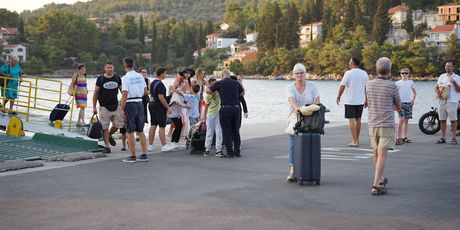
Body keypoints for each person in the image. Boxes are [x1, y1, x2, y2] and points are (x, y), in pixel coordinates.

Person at [365, 57, 400, 195]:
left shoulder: (368, 84)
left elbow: (366, 103)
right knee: (383, 154)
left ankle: (380, 180)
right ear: (389, 70)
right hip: (386, 123)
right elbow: (399, 106)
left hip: (372, 123)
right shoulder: (392, 85)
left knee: (375, 153)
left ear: (377, 69)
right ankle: (375, 184)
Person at [286, 63, 320, 181]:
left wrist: (309, 109)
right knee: (293, 144)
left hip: (310, 119)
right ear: (294, 75)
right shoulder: (291, 87)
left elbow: (317, 101)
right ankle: (292, 170)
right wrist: (299, 110)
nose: (299, 75)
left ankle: (307, 170)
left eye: (301, 73)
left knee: (308, 145)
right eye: (297, 73)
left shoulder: (312, 86)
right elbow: (292, 101)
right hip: (295, 118)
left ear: (305, 74)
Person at [208, 69, 245, 158]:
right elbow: (242, 93)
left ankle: (230, 152)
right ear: (229, 75)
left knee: (227, 131)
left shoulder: (220, 83)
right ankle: (237, 152)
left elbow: (208, 91)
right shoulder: (236, 83)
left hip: (225, 108)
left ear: (222, 76)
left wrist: (208, 85)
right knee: (236, 131)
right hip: (236, 108)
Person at [120, 57, 149, 163]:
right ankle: (144, 154)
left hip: (130, 104)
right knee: (140, 130)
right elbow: (145, 91)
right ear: (133, 65)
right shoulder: (140, 76)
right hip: (140, 103)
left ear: (125, 65)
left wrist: (121, 108)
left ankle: (132, 156)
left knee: (130, 131)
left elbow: (125, 94)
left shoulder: (125, 78)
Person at [336, 57, 369, 147]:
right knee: (358, 120)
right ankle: (357, 139)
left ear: (353, 63)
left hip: (350, 100)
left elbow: (342, 86)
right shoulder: (364, 73)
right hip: (360, 100)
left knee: (351, 120)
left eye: (350, 62)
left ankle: (354, 141)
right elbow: (367, 88)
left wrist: (338, 96)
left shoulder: (348, 73)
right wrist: (367, 99)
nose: (349, 63)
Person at [92, 62, 124, 154]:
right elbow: (95, 93)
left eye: (111, 67)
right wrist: (94, 107)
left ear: (113, 68)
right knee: (104, 127)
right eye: (108, 67)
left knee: (118, 124)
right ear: (105, 69)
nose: (110, 69)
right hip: (104, 106)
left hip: (115, 105)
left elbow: (122, 90)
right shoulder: (100, 78)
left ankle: (109, 135)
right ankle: (107, 146)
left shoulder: (117, 77)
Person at [148, 68, 175, 152]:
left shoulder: (152, 83)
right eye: (165, 73)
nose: (166, 75)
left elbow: (153, 94)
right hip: (158, 106)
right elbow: (161, 97)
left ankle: (150, 145)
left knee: (153, 124)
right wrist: (168, 107)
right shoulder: (160, 84)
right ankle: (164, 145)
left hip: (151, 103)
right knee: (162, 126)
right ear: (162, 74)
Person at [435, 60, 460, 145]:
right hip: (442, 101)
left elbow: (459, 90)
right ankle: (442, 137)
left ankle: (453, 138)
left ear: (453, 67)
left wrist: (455, 83)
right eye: (446, 66)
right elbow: (437, 87)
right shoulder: (442, 76)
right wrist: (438, 92)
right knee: (442, 120)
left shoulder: (457, 77)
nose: (447, 68)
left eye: (449, 66)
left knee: (453, 120)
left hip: (452, 101)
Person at [395, 68, 417, 145]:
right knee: (401, 119)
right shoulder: (397, 83)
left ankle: (405, 137)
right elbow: (395, 94)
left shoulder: (411, 82)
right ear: (400, 74)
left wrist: (413, 100)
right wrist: (395, 103)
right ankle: (398, 138)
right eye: (403, 73)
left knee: (406, 120)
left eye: (406, 73)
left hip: (408, 103)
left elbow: (414, 93)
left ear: (408, 74)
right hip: (400, 103)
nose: (404, 74)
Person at [202, 78, 223, 157]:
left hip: (219, 113)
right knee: (209, 131)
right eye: (214, 84)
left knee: (219, 131)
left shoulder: (219, 92)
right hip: (210, 114)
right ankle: (207, 148)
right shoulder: (208, 95)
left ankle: (218, 149)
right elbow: (206, 106)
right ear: (211, 85)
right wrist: (204, 117)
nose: (216, 85)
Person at [168, 77, 190, 148]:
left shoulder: (183, 92)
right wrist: (185, 105)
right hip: (173, 113)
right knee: (178, 126)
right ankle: (173, 142)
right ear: (181, 83)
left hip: (178, 113)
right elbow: (176, 102)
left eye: (187, 83)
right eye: (185, 83)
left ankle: (175, 142)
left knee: (179, 126)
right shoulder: (177, 91)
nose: (187, 84)